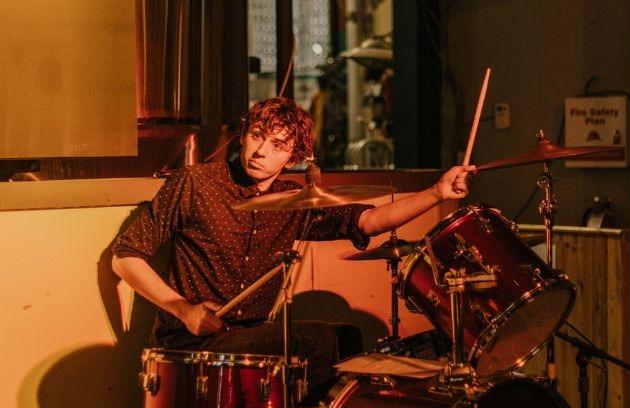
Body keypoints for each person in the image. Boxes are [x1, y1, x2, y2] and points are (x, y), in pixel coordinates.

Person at [111, 97, 475, 391]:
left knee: (347, 337)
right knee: (314, 338)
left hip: (249, 338)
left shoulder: (293, 202)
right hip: (191, 344)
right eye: (256, 136)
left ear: (294, 156)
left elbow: (368, 221)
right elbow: (125, 257)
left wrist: (437, 192)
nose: (260, 151)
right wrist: (183, 309)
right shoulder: (195, 183)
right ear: (243, 135)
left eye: (277, 145)